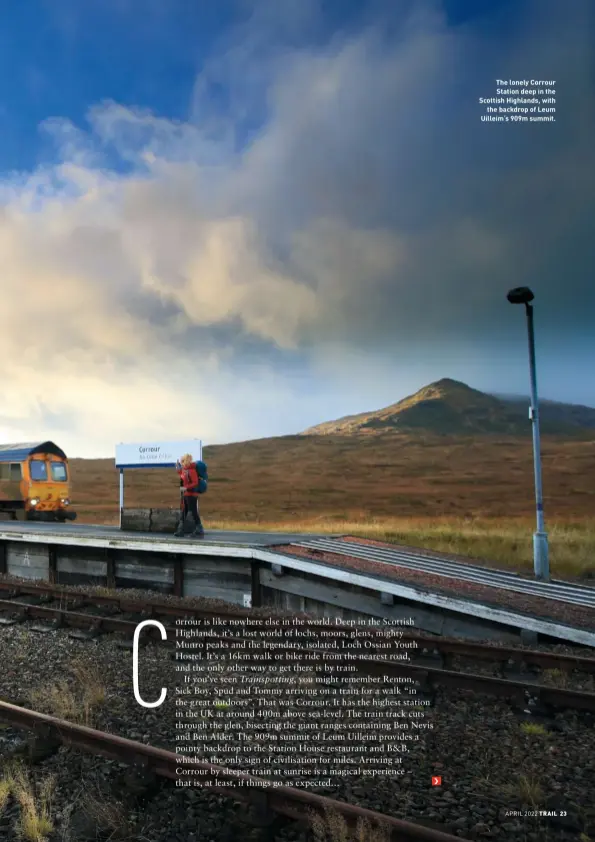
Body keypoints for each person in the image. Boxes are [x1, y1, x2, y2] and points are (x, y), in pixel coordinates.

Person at [174, 453, 205, 538]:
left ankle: (199, 529)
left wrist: (185, 488)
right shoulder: (185, 470)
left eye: (182, 461)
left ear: (185, 461)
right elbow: (182, 474)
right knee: (184, 512)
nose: (181, 463)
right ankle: (181, 530)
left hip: (191, 495)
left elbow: (195, 483)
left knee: (193, 511)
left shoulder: (192, 470)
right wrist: (177, 468)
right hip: (187, 494)